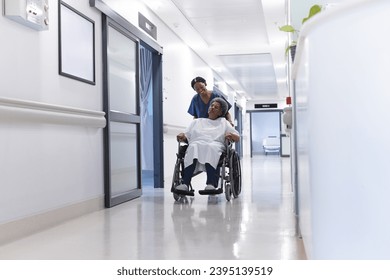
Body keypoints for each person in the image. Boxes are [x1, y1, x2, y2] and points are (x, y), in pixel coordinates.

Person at [176, 98, 240, 193]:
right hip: (197, 143)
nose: (212, 108)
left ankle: (211, 184)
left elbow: (237, 137)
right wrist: (182, 136)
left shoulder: (224, 122)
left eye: (216, 107)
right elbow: (186, 136)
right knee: (193, 147)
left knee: (211, 147)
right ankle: (185, 183)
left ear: (220, 112)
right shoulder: (197, 121)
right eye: (211, 106)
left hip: (215, 144)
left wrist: (231, 135)